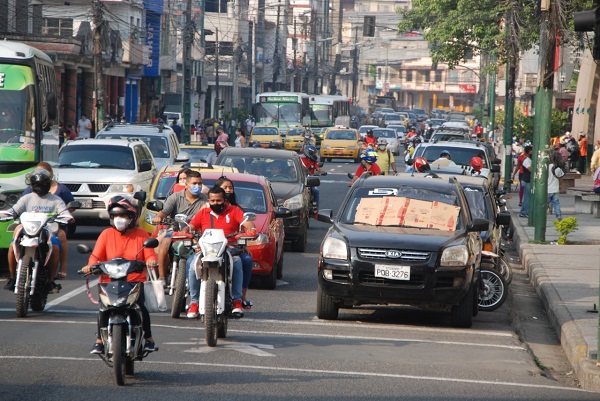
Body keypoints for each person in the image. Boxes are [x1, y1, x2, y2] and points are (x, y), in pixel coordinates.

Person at [82, 196, 157, 354]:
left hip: (134, 281)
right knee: (104, 308)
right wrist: (89, 266)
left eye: (123, 216)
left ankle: (149, 339)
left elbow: (150, 254)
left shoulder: (142, 234)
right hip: (109, 281)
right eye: (116, 216)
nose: (119, 219)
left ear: (131, 217)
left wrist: (150, 261)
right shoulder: (106, 234)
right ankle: (99, 341)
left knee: (140, 307)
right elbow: (96, 256)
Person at [186, 186, 257, 318]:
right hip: (206, 249)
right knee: (191, 266)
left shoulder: (234, 211)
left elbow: (248, 225)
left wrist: (251, 230)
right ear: (209, 201)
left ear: (225, 200)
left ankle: (237, 300)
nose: (216, 203)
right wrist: (184, 232)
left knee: (237, 263)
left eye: (219, 201)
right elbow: (190, 226)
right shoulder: (203, 213)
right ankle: (194, 302)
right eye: (212, 201)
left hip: (229, 248)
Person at [5, 168, 73, 292]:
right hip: (28, 230)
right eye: (36, 184)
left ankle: (50, 281)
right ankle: (12, 277)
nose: (39, 187)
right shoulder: (27, 198)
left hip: (47, 231)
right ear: (32, 185)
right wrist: (7, 214)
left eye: (42, 184)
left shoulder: (56, 200)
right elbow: (14, 210)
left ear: (48, 184)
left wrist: (66, 217)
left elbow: (64, 212)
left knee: (56, 248)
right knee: (12, 246)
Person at [21, 162, 75, 282]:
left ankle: (60, 270)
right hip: (33, 225)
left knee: (60, 238)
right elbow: (18, 207)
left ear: (50, 175)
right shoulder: (28, 194)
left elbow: (68, 207)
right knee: (16, 233)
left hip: (53, 225)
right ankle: (15, 275)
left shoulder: (59, 194)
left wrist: (63, 215)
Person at [152, 170, 207, 283]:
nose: (197, 186)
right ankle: (162, 277)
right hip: (176, 230)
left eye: (200, 183)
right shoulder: (175, 197)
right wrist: (159, 217)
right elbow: (164, 212)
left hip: (196, 233)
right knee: (165, 243)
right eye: (194, 183)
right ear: (186, 185)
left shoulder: (205, 200)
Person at [212, 177, 254, 309]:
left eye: (230, 188)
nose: (228, 190)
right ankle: (194, 300)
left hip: (232, 247)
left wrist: (244, 242)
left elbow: (245, 226)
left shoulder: (236, 209)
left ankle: (241, 297)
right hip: (210, 248)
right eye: (225, 187)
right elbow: (194, 226)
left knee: (245, 260)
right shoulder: (205, 209)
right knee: (191, 264)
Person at [300, 145, 322, 214]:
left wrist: (322, 172)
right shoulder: (301, 160)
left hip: (311, 179)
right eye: (314, 154)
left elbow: (318, 169)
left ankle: (315, 209)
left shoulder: (314, 162)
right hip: (302, 179)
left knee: (316, 191)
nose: (315, 155)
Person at [547, 150, 563, 221]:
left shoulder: (546, 168)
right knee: (556, 203)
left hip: (547, 189)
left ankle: (542, 216)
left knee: (545, 204)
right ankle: (558, 215)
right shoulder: (558, 169)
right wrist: (560, 185)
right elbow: (561, 177)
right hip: (555, 189)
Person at [519, 145, 532, 218]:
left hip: (527, 181)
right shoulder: (526, 161)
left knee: (527, 197)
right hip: (526, 181)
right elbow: (530, 170)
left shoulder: (528, 160)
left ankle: (523, 212)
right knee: (527, 198)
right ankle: (525, 212)